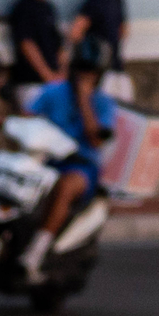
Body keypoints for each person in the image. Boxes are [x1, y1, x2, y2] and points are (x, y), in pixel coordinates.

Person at [20, 37, 116, 281]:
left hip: (79, 165)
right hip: (46, 159)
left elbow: (96, 140)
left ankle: (36, 252)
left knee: (65, 185)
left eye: (91, 73)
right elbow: (28, 116)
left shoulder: (103, 103)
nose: (85, 76)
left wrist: (84, 100)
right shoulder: (53, 91)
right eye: (82, 70)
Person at [4, 0, 65, 108]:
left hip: (54, 83)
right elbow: (26, 43)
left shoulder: (49, 8)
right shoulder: (23, 7)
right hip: (30, 82)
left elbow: (59, 45)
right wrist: (48, 75)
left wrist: (61, 74)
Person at [70, 0, 131, 100]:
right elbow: (76, 32)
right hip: (100, 70)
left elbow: (122, 31)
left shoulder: (119, 0)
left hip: (116, 65)